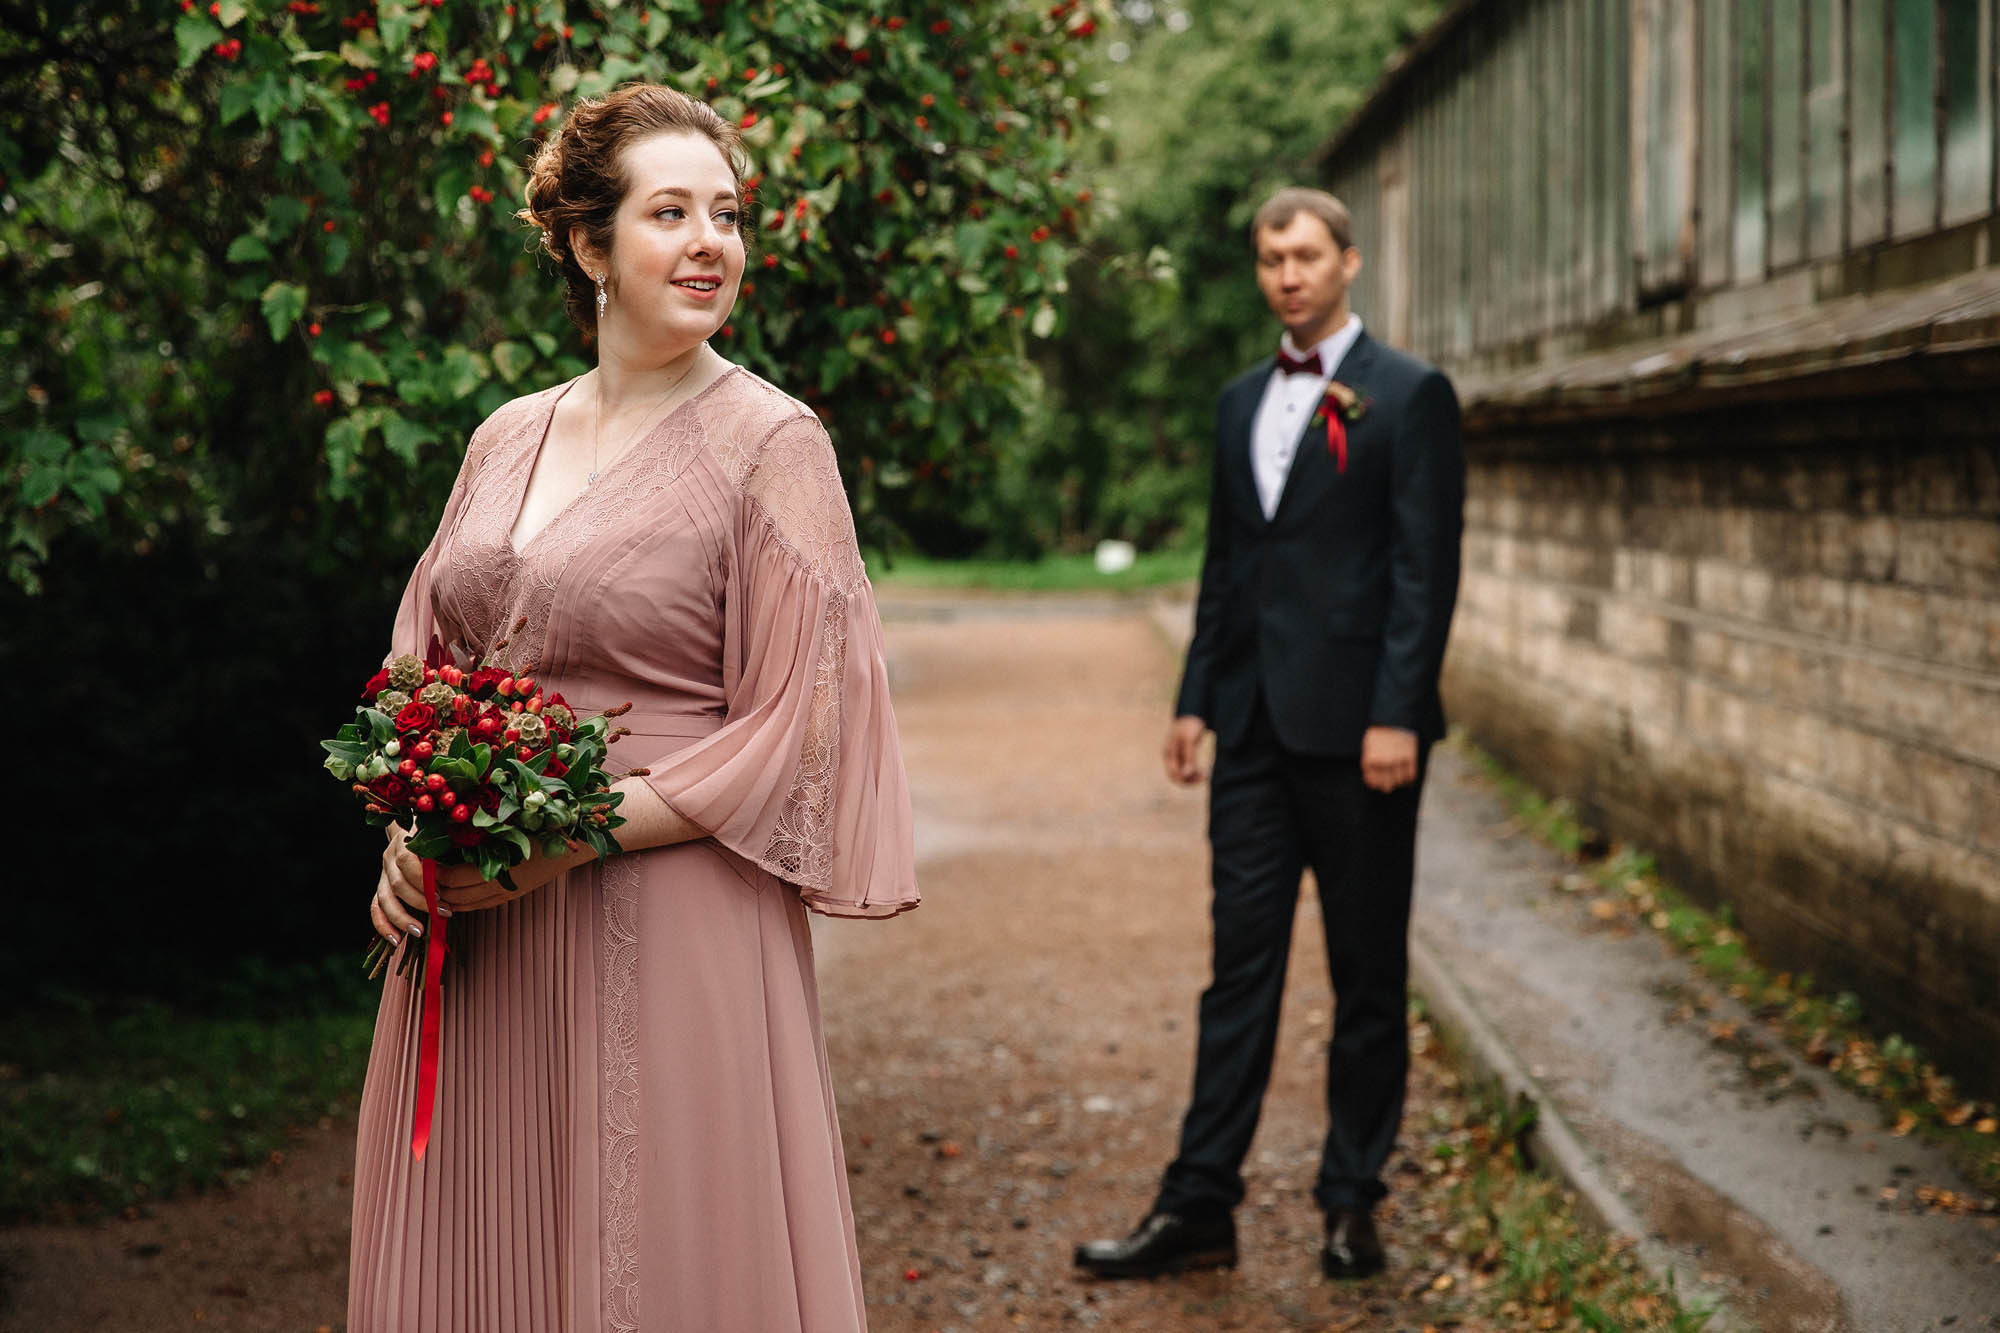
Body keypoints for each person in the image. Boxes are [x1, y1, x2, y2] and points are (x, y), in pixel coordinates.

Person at [349, 84, 918, 1332]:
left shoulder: (773, 443)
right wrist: (410, 826)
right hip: (478, 924)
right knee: (489, 1252)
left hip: (671, 911)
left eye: (727, 214)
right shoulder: (505, 436)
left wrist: (570, 835)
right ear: (585, 243)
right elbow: (421, 661)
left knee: (652, 1256)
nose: (711, 242)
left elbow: (801, 723)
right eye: (671, 213)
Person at [1075, 187, 1462, 1282]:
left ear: (1347, 261)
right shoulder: (1239, 399)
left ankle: (1351, 1200)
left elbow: (1423, 572)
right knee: (1237, 972)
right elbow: (1228, 563)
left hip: (1363, 741)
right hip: (1250, 732)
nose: (1286, 275)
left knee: (1365, 976)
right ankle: (1199, 1203)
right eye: (1268, 258)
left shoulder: (1410, 394)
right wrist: (1194, 696)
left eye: (1304, 255)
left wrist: (1396, 712)